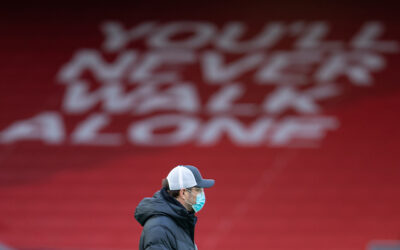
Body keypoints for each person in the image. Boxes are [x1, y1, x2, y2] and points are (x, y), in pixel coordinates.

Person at [135, 165, 215, 250]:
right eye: (198, 190)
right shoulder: (160, 228)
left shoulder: (179, 221)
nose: (202, 195)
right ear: (183, 193)